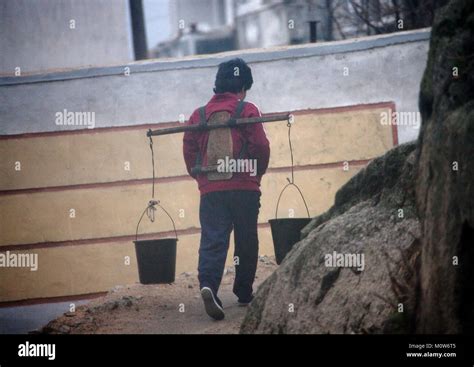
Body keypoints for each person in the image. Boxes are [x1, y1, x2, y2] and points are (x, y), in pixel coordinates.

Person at [183, 58, 270, 320]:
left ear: (217, 85)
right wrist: (256, 175)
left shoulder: (197, 116)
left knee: (213, 238)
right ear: (242, 86)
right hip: (244, 187)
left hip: (212, 190)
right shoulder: (248, 109)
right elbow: (261, 147)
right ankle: (243, 291)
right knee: (246, 238)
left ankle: (208, 284)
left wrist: (202, 180)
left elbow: (190, 151)